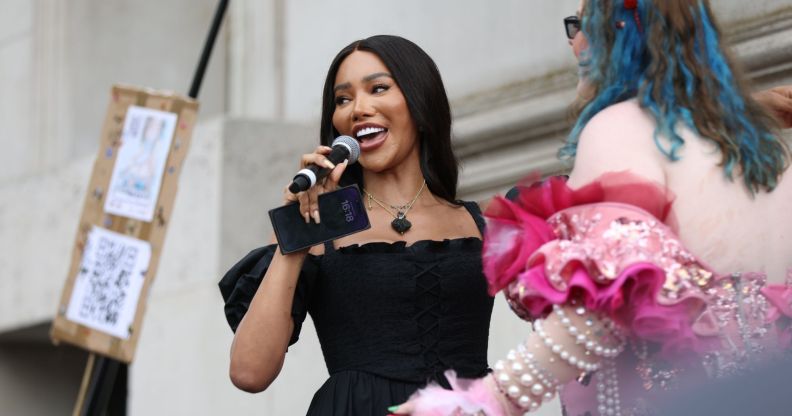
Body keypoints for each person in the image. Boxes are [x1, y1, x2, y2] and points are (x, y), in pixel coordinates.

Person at [396, 1, 792, 415]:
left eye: (582, 25)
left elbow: (602, 307)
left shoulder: (620, 126)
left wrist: (487, 400)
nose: (574, 43)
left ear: (621, 28)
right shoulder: (767, 155)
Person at [218, 35, 494, 415]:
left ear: (419, 101)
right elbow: (249, 372)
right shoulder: (316, 233)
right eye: (343, 99)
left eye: (378, 89)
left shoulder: (483, 224)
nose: (358, 109)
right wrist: (298, 235)